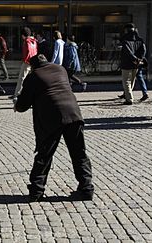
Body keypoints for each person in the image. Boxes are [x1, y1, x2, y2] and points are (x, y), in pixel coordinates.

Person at [14, 54, 94, 202]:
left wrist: (16, 105)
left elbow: (23, 105)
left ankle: (36, 191)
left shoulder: (33, 76)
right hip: (73, 114)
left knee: (44, 154)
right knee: (79, 153)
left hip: (52, 119)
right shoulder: (60, 69)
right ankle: (86, 188)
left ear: (32, 66)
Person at [119, 23, 146, 105]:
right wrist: (139, 59)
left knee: (126, 81)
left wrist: (134, 58)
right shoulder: (140, 39)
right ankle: (128, 95)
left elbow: (128, 52)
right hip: (136, 64)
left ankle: (129, 99)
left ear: (126, 30)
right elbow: (144, 50)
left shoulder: (125, 39)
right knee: (132, 80)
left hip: (127, 63)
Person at [11, 27, 37, 100]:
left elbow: (27, 51)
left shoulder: (26, 41)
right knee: (31, 80)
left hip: (27, 62)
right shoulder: (34, 41)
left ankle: (17, 95)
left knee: (21, 79)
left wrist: (25, 60)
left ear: (23, 35)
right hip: (33, 62)